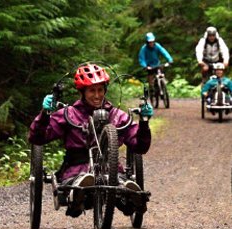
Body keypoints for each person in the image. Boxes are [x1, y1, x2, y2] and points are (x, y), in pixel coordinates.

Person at [29, 64, 153, 217]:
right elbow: (38, 138)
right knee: (82, 181)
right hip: (76, 170)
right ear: (83, 92)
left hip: (111, 172)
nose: (97, 95)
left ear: (105, 90)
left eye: (100, 90)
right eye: (92, 91)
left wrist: (144, 123)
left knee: (119, 184)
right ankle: (77, 196)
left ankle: (130, 197)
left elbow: (140, 147)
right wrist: (45, 114)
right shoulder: (68, 114)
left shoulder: (118, 116)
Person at [138, 32, 173, 97]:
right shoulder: (144, 49)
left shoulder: (157, 46)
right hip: (149, 66)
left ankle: (163, 86)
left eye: (152, 41)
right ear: (147, 42)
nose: (151, 43)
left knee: (161, 74)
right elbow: (141, 58)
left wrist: (170, 60)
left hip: (157, 64)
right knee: (151, 80)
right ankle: (152, 90)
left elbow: (164, 52)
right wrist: (145, 66)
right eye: (150, 42)